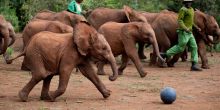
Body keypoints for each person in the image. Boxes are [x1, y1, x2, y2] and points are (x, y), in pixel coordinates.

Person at [160, 0, 202, 71]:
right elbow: (180, 20)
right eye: (187, 2)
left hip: (190, 32)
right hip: (183, 32)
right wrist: (185, 29)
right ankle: (165, 54)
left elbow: (190, 21)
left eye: (190, 2)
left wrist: (196, 27)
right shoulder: (183, 9)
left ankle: (194, 64)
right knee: (180, 48)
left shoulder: (191, 9)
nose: (189, 3)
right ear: (185, 3)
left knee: (194, 47)